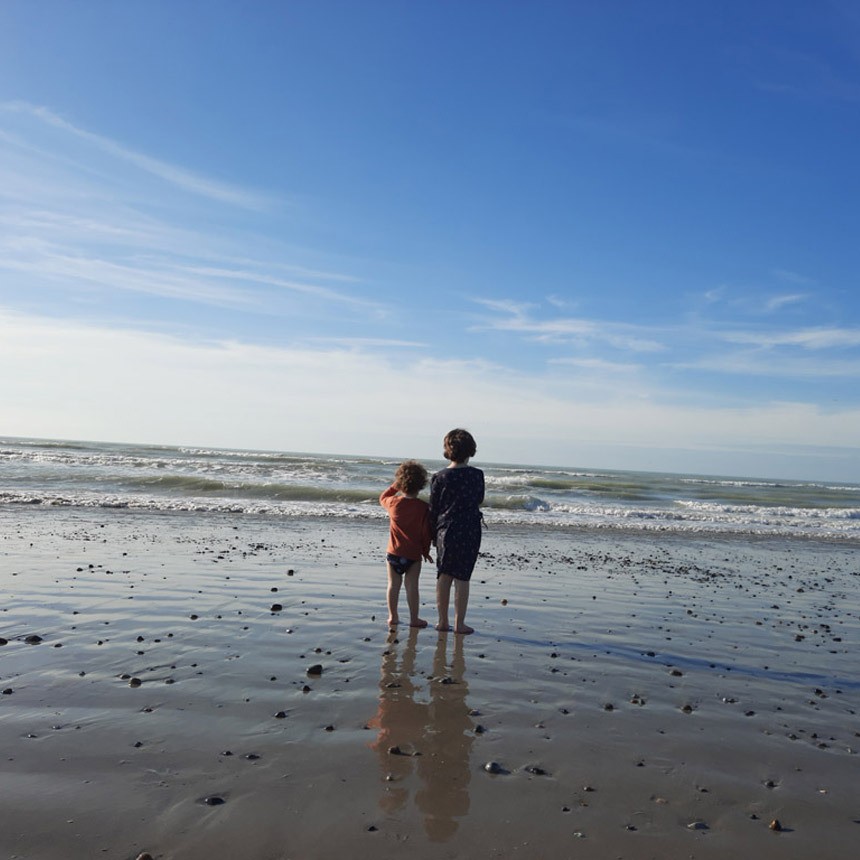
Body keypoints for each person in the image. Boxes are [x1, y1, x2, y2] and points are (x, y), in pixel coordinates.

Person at [429, 429, 484, 635]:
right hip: (470, 528)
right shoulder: (477, 475)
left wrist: (431, 535)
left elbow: (433, 508)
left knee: (444, 575)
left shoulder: (439, 477)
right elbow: (479, 499)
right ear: (471, 450)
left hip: (446, 529)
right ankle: (459, 623)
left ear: (447, 450)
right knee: (463, 577)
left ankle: (442, 621)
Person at [379, 460, 433, 628]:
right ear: (421, 485)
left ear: (401, 484)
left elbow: (382, 497)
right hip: (413, 555)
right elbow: (426, 533)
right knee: (412, 587)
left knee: (393, 585)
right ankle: (414, 619)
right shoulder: (424, 508)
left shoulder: (393, 503)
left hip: (393, 553)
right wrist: (425, 551)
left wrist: (396, 485)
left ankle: (392, 616)